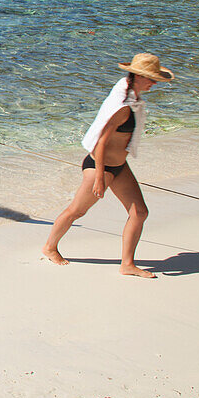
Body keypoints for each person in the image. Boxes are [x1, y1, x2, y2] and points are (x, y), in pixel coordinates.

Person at [42, 53, 174, 278]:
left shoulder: (130, 96)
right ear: (137, 76)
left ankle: (127, 264)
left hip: (119, 166)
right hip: (99, 166)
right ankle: (50, 247)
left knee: (140, 212)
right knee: (77, 210)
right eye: (151, 78)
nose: (154, 83)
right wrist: (101, 178)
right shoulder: (122, 106)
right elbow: (101, 142)